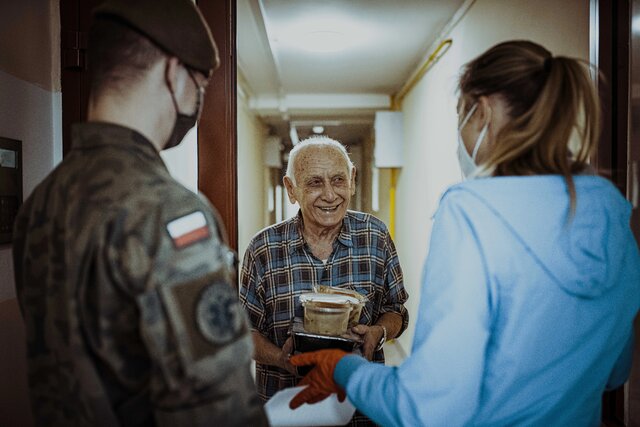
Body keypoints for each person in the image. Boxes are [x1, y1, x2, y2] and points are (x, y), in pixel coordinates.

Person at [287, 40, 640, 426]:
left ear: (483, 111)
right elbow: (616, 372)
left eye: (462, 117)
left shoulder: (473, 211)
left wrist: (341, 367)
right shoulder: (610, 211)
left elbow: (428, 410)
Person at [12, 0, 267, 425]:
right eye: (200, 83)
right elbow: (220, 407)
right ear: (173, 72)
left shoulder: (41, 202)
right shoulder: (170, 212)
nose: (199, 99)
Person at [239, 136, 409, 425]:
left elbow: (397, 311)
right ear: (291, 189)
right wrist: (282, 358)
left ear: (352, 179)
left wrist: (378, 333)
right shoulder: (263, 249)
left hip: (361, 411)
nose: (330, 195)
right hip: (289, 410)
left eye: (338, 180)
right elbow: (243, 333)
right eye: (315, 183)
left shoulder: (376, 237)